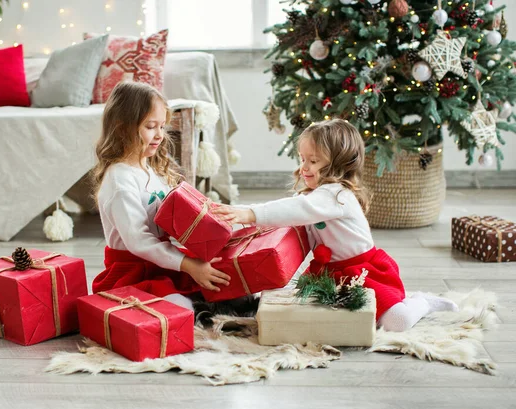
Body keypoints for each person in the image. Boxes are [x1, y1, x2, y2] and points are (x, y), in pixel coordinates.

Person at [213, 119, 458, 331]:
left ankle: (422, 302)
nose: (304, 167)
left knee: (397, 321)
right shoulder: (314, 196)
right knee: (306, 315)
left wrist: (250, 213)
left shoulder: (335, 195)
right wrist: (242, 223)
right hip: (330, 273)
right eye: (302, 159)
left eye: (314, 160)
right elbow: (287, 214)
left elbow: (294, 210)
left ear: (338, 163)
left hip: (362, 272)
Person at [90, 81, 230, 310]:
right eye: (150, 126)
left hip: (163, 262)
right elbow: (139, 242)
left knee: (221, 285)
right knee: (179, 308)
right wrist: (189, 265)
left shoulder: (151, 168)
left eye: (162, 126)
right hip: (134, 270)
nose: (160, 136)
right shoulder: (120, 180)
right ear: (122, 127)